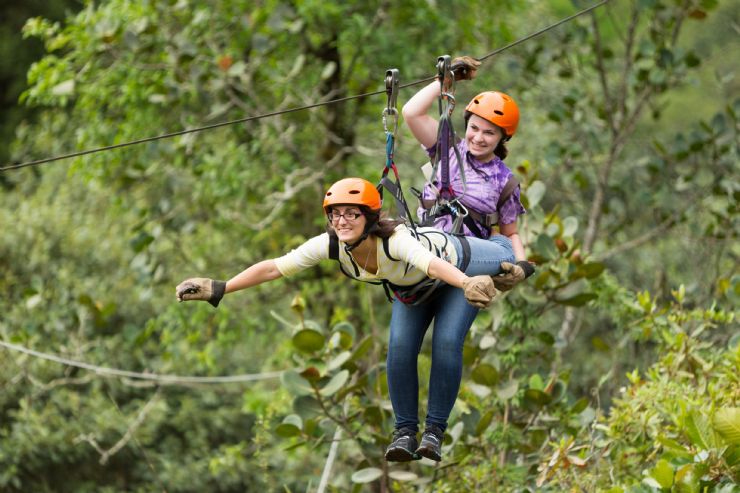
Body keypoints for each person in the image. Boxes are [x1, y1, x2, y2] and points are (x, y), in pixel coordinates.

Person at [175, 177, 515, 462]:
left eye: (352, 214)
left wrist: (468, 281)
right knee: (397, 349)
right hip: (415, 293)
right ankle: (404, 434)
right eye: (336, 215)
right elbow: (274, 267)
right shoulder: (331, 244)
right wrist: (221, 287)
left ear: (369, 218)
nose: (342, 222)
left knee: (450, 336)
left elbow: (430, 264)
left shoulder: (395, 240)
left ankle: (435, 432)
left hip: (459, 266)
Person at [402, 55, 535, 289]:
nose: (479, 138)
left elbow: (509, 234)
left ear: (503, 138)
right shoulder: (447, 148)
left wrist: (522, 265)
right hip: (425, 253)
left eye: (489, 133)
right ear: (467, 125)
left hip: (467, 263)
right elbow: (411, 112)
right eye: (474, 128)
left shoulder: (505, 180)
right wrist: (444, 82)